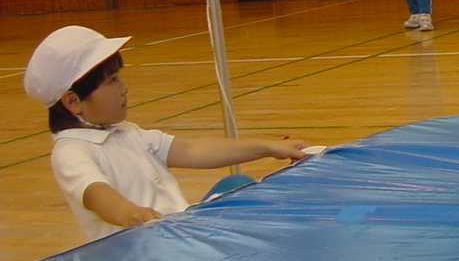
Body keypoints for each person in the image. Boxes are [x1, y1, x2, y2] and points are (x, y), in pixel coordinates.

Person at [23, 26, 307, 242]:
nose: (124, 89)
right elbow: (96, 194)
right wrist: (130, 214)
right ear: (73, 102)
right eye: (111, 81)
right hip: (143, 251)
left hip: (174, 232)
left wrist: (268, 147)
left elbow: (191, 150)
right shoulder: (72, 151)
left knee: (237, 183)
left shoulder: (126, 133)